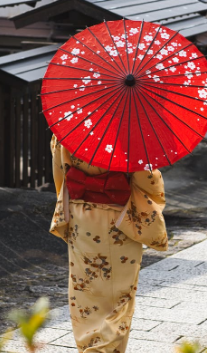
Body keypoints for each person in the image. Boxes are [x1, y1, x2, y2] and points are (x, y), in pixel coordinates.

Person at [50, 136, 168, 353]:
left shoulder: (68, 127)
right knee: (119, 295)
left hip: (81, 218)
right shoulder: (131, 133)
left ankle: (88, 346)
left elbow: (60, 171)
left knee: (83, 290)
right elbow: (148, 179)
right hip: (119, 220)